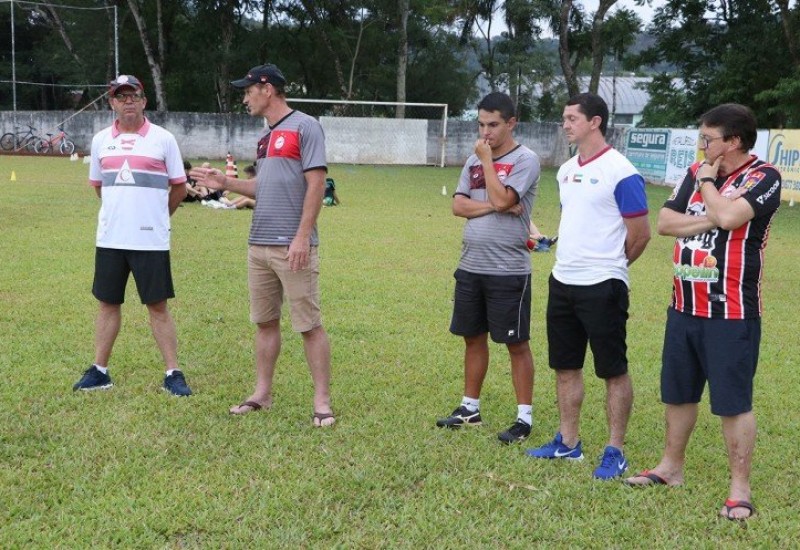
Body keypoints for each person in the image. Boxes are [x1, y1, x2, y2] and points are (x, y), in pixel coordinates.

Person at [624, 104, 781, 520]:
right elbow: (665, 222)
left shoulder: (764, 177)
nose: (702, 146)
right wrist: (713, 217)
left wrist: (710, 189)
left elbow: (731, 215)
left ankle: (740, 489)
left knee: (733, 402)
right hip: (684, 305)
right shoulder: (695, 171)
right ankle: (670, 468)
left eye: (708, 139)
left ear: (733, 141)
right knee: (678, 393)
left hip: (731, 311)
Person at [190, 63, 334, 426]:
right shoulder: (264, 138)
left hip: (292, 245)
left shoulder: (305, 126)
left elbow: (316, 184)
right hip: (259, 244)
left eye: (248, 90)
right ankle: (262, 394)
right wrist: (225, 182)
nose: (245, 98)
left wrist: (302, 236)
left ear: (267, 89)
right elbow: (262, 187)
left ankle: (322, 401)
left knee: (309, 325)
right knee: (265, 323)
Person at [526, 93, 651, 479]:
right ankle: (568, 442)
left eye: (571, 118)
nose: (564, 124)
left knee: (613, 370)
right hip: (562, 280)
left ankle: (615, 450)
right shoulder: (565, 170)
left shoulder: (621, 171)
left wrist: (611, 266)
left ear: (594, 122)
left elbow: (640, 234)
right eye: (564, 118)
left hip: (603, 285)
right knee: (565, 366)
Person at [73, 74, 192, 396]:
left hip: (150, 240)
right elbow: (100, 188)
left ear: (144, 101)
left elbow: (179, 188)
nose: (128, 101)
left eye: (133, 95)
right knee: (107, 303)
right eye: (121, 96)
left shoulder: (163, 139)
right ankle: (99, 371)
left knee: (158, 306)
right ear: (112, 102)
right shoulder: (101, 140)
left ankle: (173, 372)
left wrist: (156, 217)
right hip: (110, 239)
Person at [435, 92, 541, 444]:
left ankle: (523, 418)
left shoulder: (525, 160)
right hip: (471, 265)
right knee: (472, 338)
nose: (485, 132)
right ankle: (470, 408)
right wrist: (497, 206)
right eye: (481, 124)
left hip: (508, 269)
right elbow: (459, 207)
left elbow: (502, 196)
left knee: (516, 344)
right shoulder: (473, 161)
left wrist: (489, 169)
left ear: (511, 123)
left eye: (493, 125)